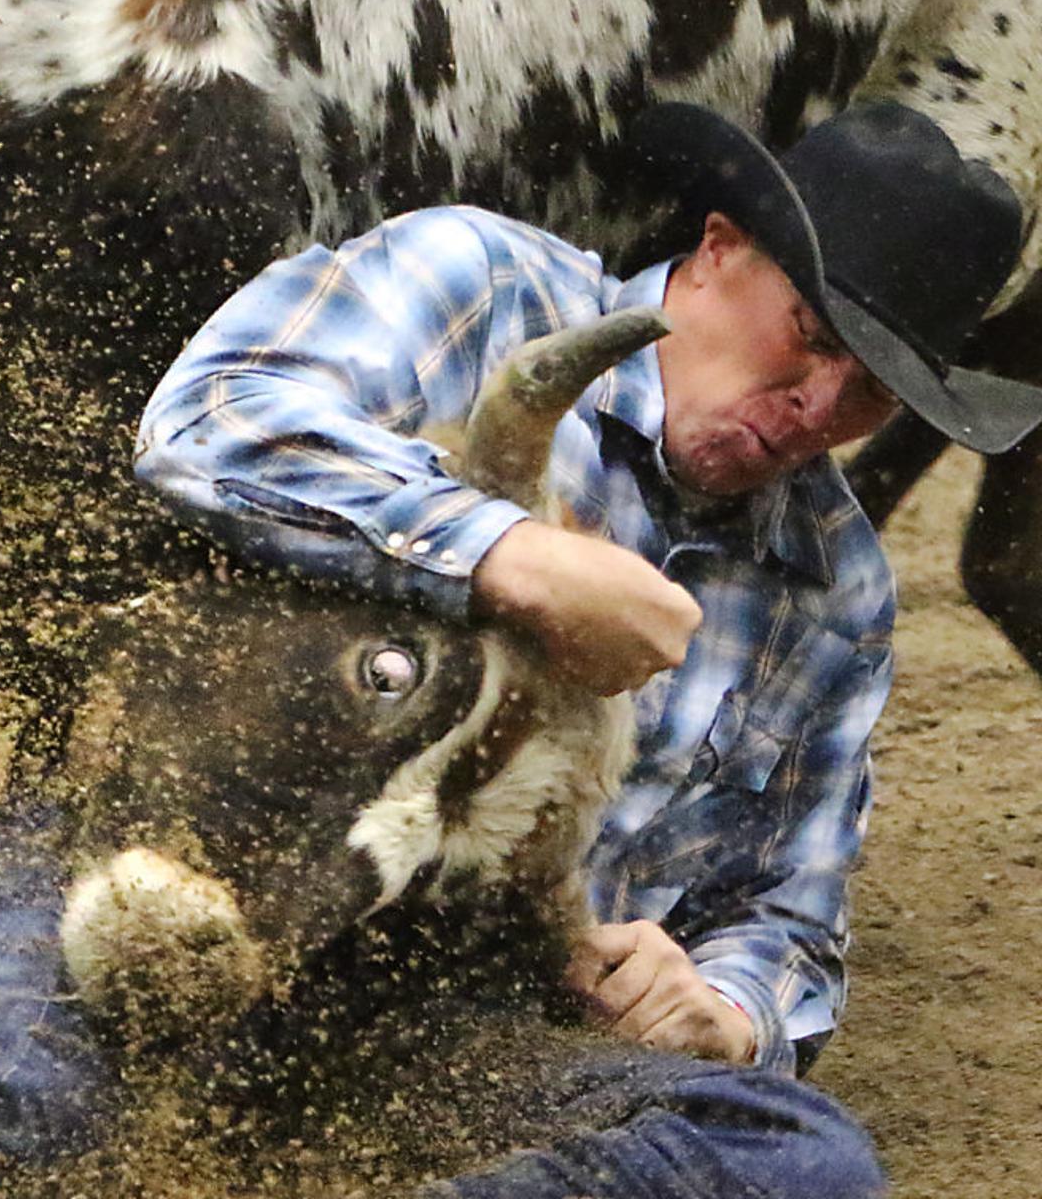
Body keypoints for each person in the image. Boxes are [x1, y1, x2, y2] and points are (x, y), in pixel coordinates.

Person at [134, 99, 1042, 1078]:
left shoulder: (838, 586)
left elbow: (787, 918)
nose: (819, 410)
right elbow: (206, 420)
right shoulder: (483, 285)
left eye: (872, 391)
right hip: (186, 871)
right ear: (720, 248)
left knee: (805, 1162)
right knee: (9, 1092)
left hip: (485, 1020)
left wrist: (726, 1010)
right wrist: (506, 553)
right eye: (811, 335)